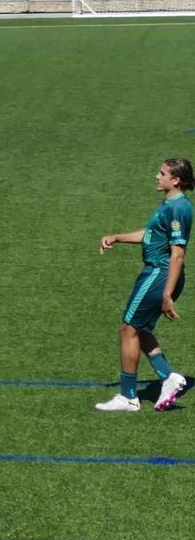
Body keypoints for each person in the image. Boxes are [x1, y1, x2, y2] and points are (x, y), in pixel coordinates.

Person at [94, 158, 190, 412]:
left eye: (162, 173)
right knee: (139, 327)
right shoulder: (169, 204)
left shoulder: (179, 209)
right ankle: (168, 376)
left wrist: (167, 293)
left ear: (176, 180)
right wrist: (117, 237)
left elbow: (178, 253)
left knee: (128, 329)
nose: (156, 176)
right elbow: (149, 235)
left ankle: (128, 396)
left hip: (159, 274)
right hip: (156, 272)